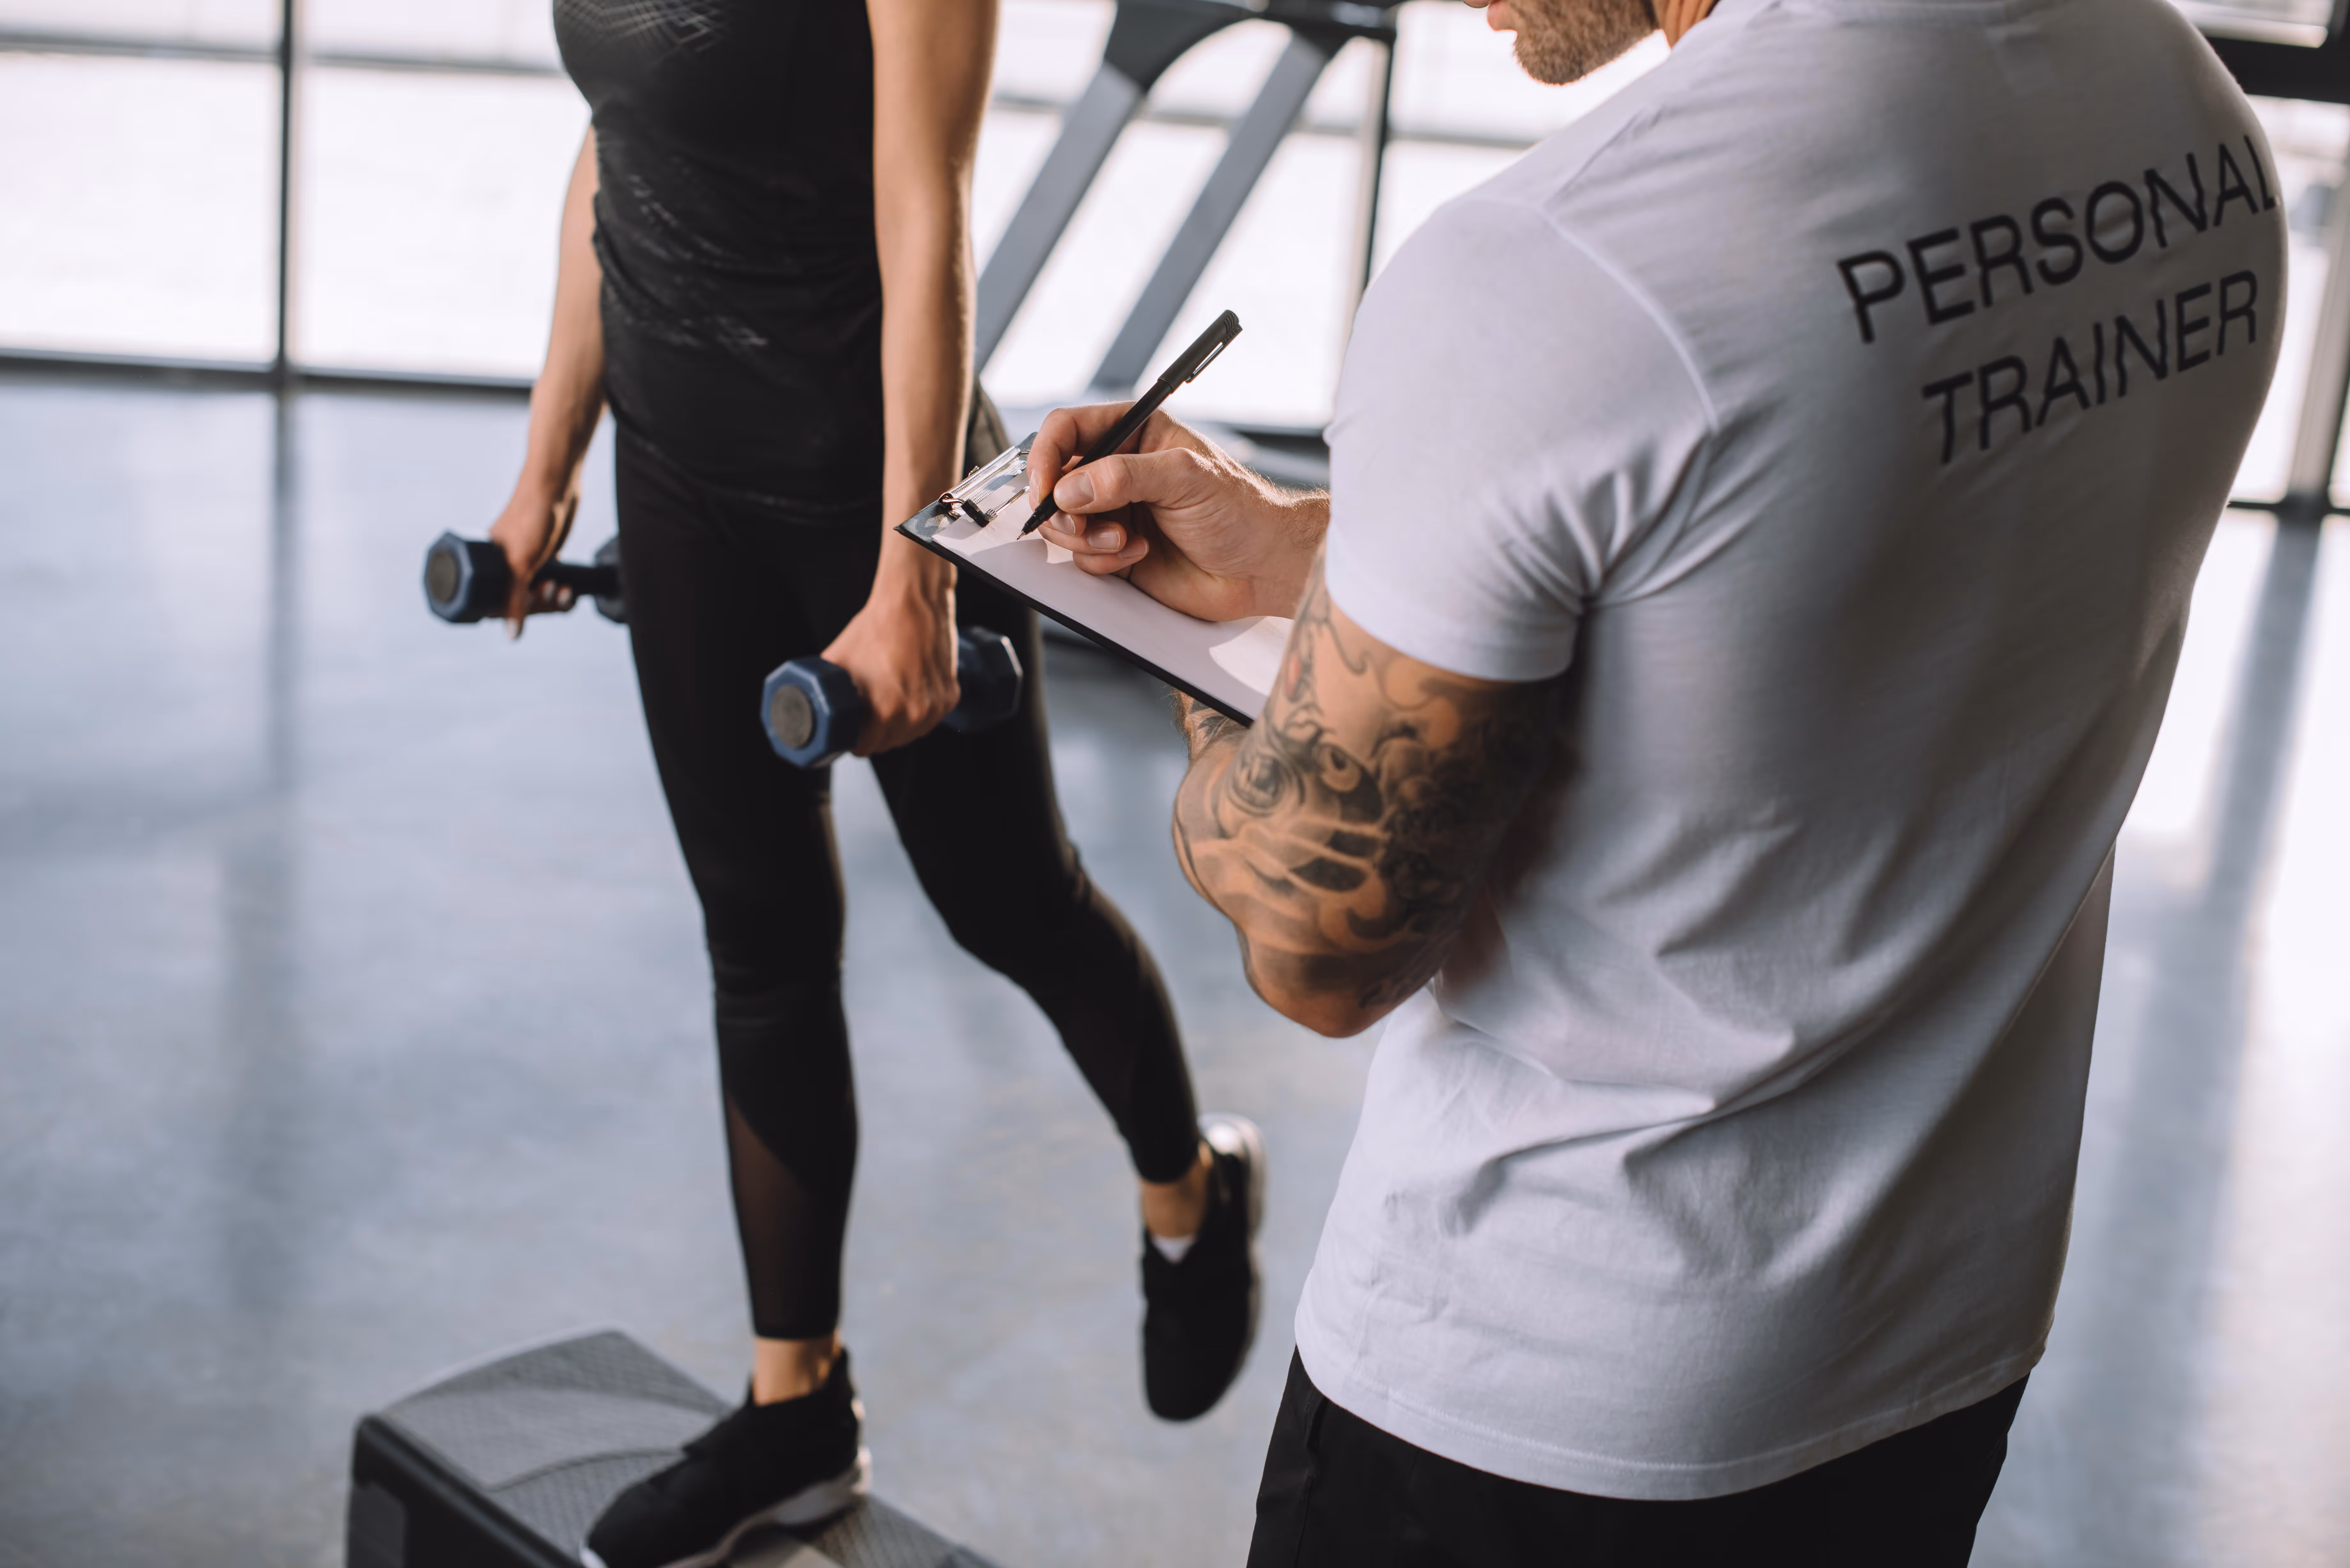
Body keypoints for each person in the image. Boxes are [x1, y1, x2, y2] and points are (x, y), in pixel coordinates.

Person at [1025, 0, 2285, 1557]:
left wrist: (1214, 681)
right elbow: (1785, 548)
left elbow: (1316, 936)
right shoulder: (2186, 123)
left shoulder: (1559, 267)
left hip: (1549, 1391)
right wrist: (1316, 548)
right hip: (1932, 1345)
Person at [487, 4, 1263, 1564]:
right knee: (759, 940)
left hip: (872, 482)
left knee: (1010, 906)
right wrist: (543, 466)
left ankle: (1190, 1188)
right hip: (681, 473)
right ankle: (798, 1408)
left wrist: (912, 579)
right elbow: (615, 141)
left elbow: (928, 215)